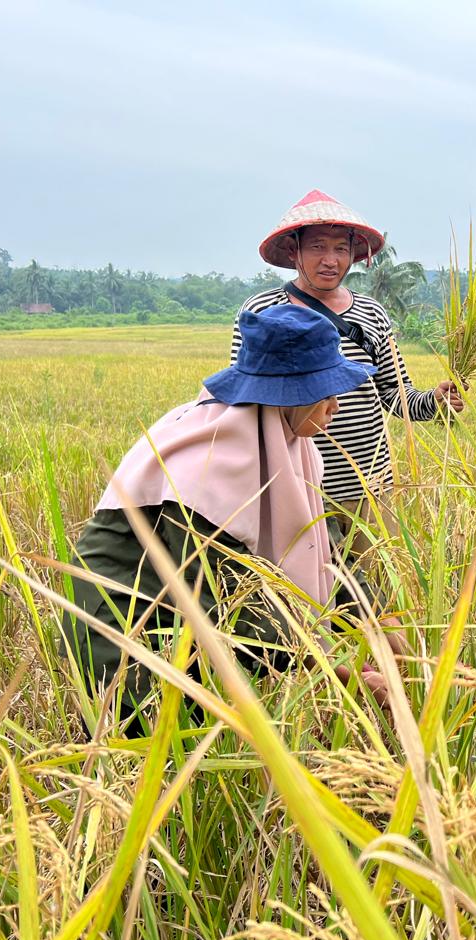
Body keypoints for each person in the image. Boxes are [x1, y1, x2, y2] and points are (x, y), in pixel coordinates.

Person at [62, 303, 383, 724]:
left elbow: (327, 549)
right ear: (289, 396)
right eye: (326, 394)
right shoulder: (206, 463)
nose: (335, 407)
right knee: (152, 744)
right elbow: (230, 604)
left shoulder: (293, 446)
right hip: (126, 624)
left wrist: (374, 623)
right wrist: (336, 672)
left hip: (185, 618)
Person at [232, 189, 465, 560]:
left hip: (369, 484)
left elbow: (395, 393)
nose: (330, 260)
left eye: (341, 249)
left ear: (354, 255)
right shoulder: (263, 310)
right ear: (293, 251)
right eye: (318, 247)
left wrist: (436, 401)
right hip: (293, 483)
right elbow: (245, 397)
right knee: (302, 598)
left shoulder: (372, 313)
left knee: (376, 595)